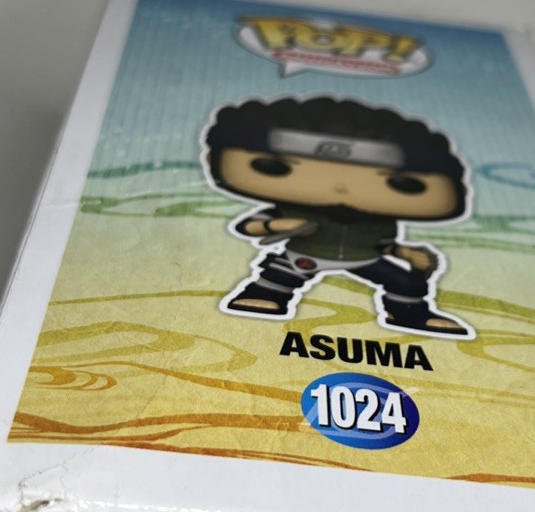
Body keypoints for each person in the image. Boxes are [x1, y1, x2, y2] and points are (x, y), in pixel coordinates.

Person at [203, 96, 474, 339]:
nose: (340, 187)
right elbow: (247, 226)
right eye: (274, 167)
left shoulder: (377, 219)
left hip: (363, 257)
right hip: (304, 254)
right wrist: (275, 225)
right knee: (278, 276)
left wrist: (403, 252)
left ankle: (407, 313)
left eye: (404, 183)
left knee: (406, 283)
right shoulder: (293, 208)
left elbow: (382, 243)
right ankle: (263, 295)